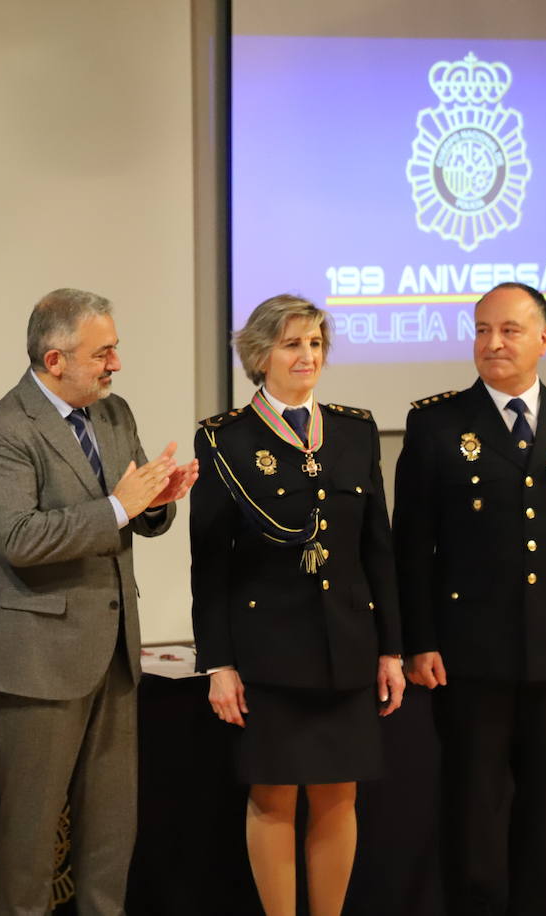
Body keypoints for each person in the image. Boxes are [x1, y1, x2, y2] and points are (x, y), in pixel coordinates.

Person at [393, 281, 546, 916]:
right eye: (480, 330)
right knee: (472, 809)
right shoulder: (436, 421)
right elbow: (411, 546)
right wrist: (418, 640)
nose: (491, 343)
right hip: (469, 653)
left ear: (544, 339)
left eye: (508, 330)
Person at [0, 287, 197, 916]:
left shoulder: (115, 415)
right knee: (32, 835)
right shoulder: (3, 430)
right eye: (104, 353)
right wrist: (122, 505)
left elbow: (135, 516)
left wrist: (160, 500)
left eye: (115, 350)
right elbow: (19, 538)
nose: (115, 364)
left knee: (112, 831)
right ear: (55, 358)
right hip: (38, 662)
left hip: (115, 654)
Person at [190, 293, 404, 916]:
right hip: (268, 653)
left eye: (314, 343)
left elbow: (377, 548)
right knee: (274, 797)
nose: (306, 355)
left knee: (339, 796)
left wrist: (390, 647)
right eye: (292, 344)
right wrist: (218, 662)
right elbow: (211, 563)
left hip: (348, 646)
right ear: (260, 355)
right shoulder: (225, 440)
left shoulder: (354, 430)